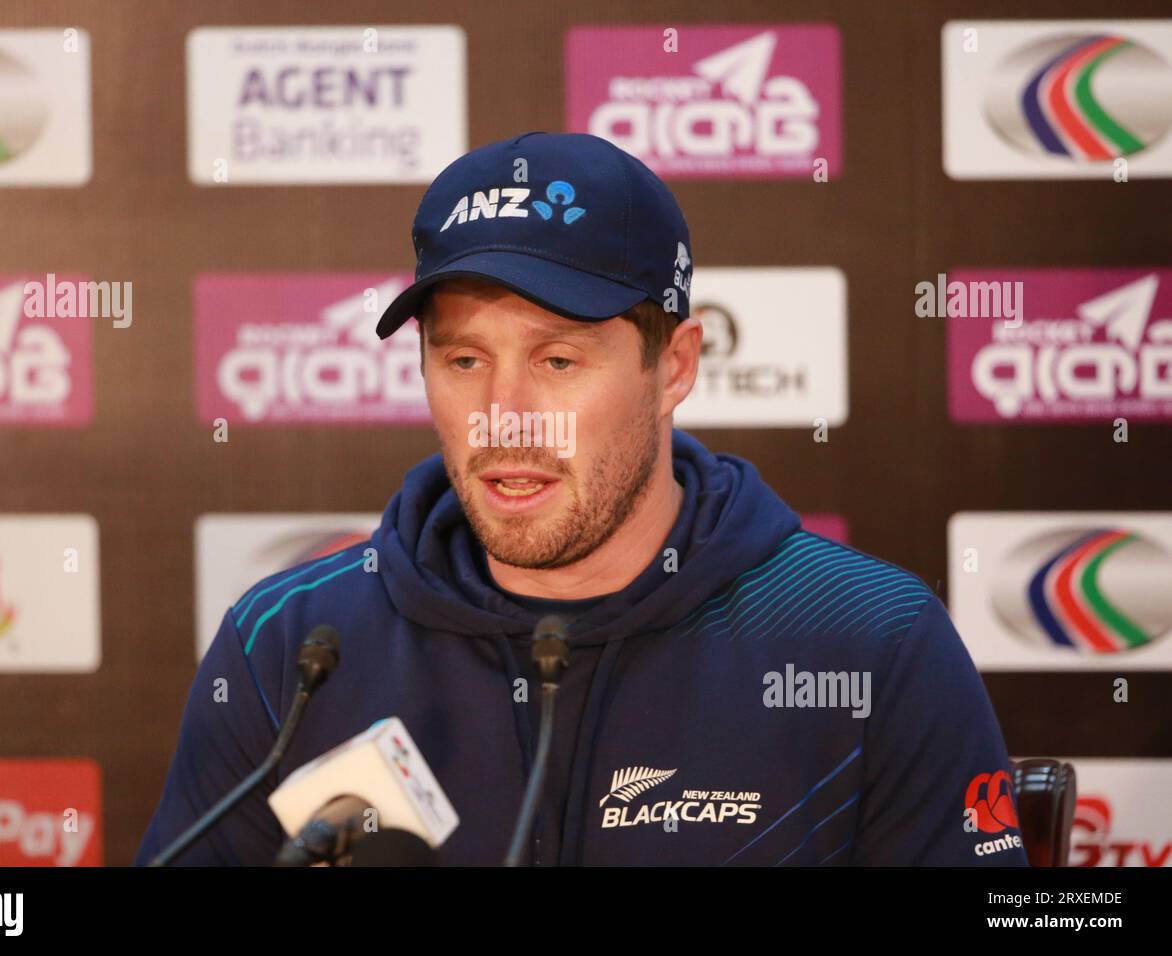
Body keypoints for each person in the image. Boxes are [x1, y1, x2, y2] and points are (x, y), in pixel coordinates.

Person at [137, 131, 1027, 866]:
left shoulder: (869, 639)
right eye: (463, 361)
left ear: (674, 366)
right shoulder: (292, 648)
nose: (504, 418)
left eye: (557, 361)